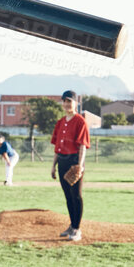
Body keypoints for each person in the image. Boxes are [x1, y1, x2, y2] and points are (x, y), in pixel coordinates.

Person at [50, 90, 89, 240]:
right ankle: (72, 225)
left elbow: (82, 146)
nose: (66, 104)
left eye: (69, 101)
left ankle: (77, 229)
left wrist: (80, 165)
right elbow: (56, 147)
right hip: (62, 161)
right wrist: (53, 166)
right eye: (64, 101)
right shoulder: (60, 122)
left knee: (76, 196)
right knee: (68, 196)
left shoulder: (80, 121)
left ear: (76, 103)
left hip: (74, 160)